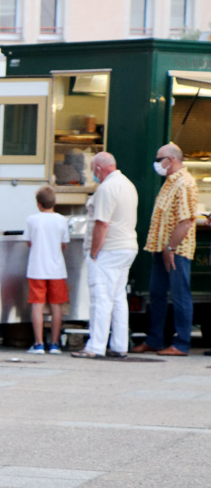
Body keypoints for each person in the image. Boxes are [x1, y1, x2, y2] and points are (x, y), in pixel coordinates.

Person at [132, 143, 198, 356]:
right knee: (157, 294)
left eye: (159, 159)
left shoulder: (185, 183)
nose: (157, 163)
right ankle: (155, 339)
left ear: (171, 160)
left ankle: (181, 343)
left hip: (175, 250)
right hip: (161, 249)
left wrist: (171, 247)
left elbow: (186, 221)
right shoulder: (170, 182)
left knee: (180, 295)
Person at [72, 153, 139, 359]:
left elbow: (102, 223)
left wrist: (94, 253)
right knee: (118, 298)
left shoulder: (107, 188)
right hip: (127, 246)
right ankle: (119, 345)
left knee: (100, 298)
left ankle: (96, 346)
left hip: (108, 249)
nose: (93, 174)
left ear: (99, 169)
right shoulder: (127, 184)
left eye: (93, 170)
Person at [23, 186, 69, 355]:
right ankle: (55, 343)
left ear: (39, 204)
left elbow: (28, 242)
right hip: (57, 269)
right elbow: (64, 244)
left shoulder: (32, 220)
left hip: (36, 268)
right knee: (57, 306)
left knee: (37, 306)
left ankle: (38, 343)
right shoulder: (61, 220)